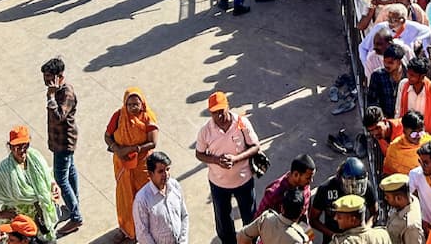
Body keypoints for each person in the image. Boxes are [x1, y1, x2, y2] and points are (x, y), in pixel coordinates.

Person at [196, 91, 262, 244]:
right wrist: (216, 160)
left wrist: (236, 159)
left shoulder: (241, 123)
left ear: (228, 107)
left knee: (250, 218)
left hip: (244, 181)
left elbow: (255, 146)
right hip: (218, 184)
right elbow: (199, 154)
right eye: (214, 113)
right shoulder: (205, 131)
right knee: (223, 221)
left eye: (221, 111)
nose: (219, 116)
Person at [0, 125, 60, 241]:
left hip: (42, 217)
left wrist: (53, 185)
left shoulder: (35, 157)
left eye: (25, 145)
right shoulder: (5, 170)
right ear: (10, 147)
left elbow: (46, 174)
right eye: (17, 146)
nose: (22, 150)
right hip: (20, 223)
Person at [105, 88, 159, 242]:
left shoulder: (148, 117)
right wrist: (117, 149)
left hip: (142, 166)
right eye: (130, 105)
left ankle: (145, 231)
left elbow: (153, 142)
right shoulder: (118, 116)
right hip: (122, 164)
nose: (133, 107)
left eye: (136, 104)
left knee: (144, 198)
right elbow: (107, 136)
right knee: (124, 198)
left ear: (142, 104)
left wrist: (135, 149)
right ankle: (127, 230)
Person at [40, 57, 82, 236]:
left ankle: (76, 217)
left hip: (64, 143)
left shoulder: (66, 93)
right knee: (70, 172)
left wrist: (50, 98)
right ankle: (74, 205)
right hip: (59, 141)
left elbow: (58, 117)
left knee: (61, 179)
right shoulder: (56, 90)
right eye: (45, 76)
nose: (46, 80)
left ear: (59, 76)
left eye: (49, 76)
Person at [133, 151, 189, 244]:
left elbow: (184, 216)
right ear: (150, 174)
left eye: (167, 169)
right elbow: (142, 234)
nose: (166, 174)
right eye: (160, 171)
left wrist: (183, 241)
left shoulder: (175, 186)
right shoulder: (142, 199)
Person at [240, 188, 311, 244]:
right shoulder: (301, 239)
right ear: (302, 211)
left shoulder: (266, 218)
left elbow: (242, 235)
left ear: (282, 208)